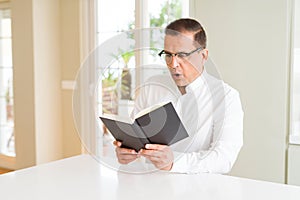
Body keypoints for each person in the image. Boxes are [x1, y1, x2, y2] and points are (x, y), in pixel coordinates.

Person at [113, 18, 244, 174]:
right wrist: (127, 153)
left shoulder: (226, 97)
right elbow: (137, 139)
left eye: (182, 55)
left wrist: (174, 162)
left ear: (203, 55)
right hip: (148, 186)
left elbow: (223, 159)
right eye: (168, 55)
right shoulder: (151, 87)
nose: (173, 64)